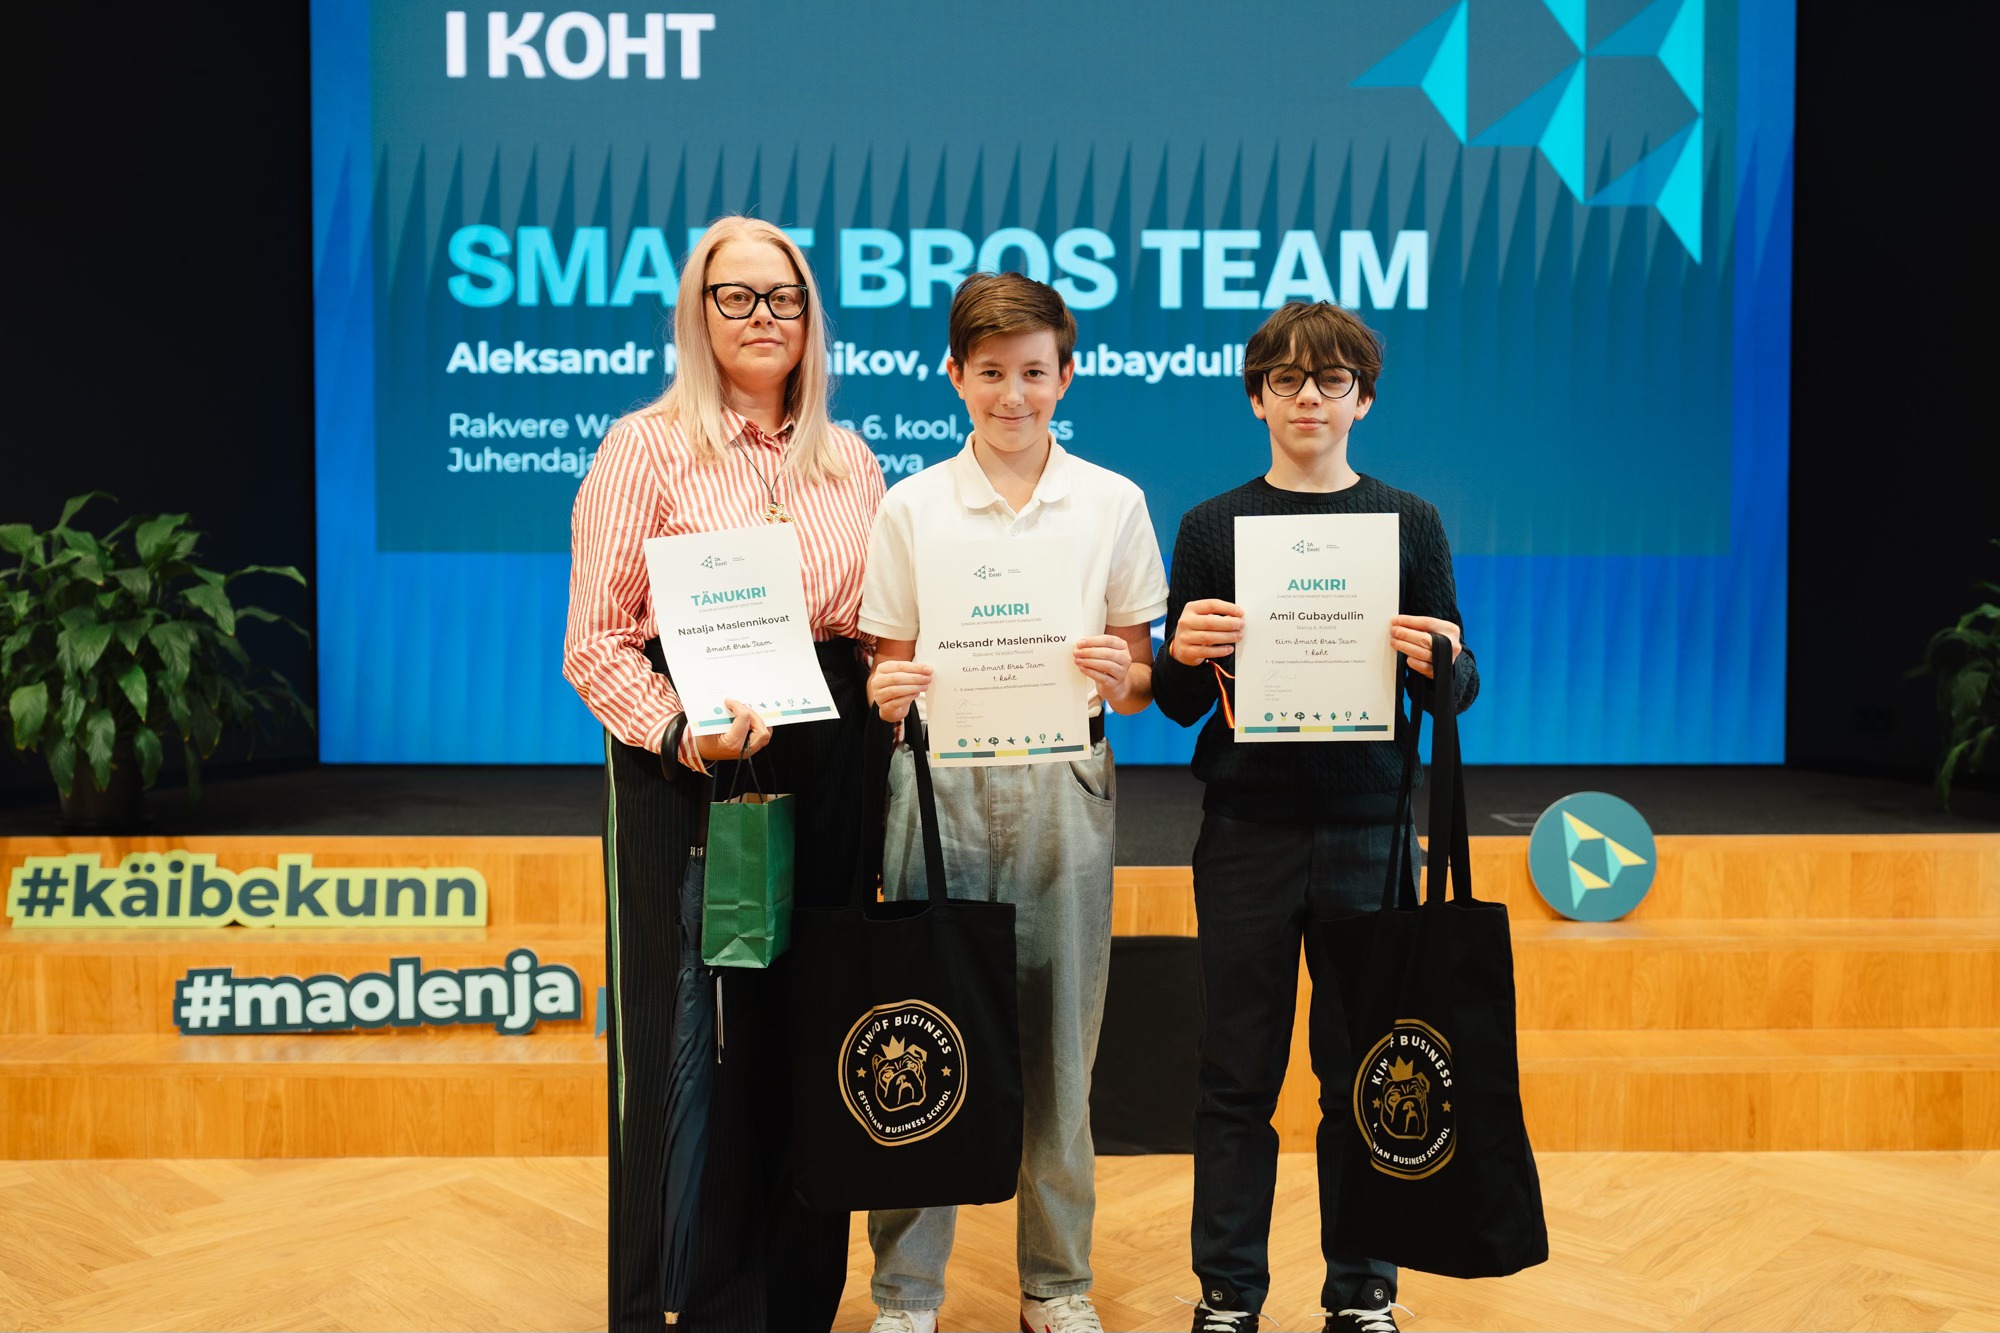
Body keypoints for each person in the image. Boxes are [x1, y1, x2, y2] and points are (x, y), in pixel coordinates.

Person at [563, 215, 884, 1332]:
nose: (762, 318)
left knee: (808, 1026)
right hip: (696, 763)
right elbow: (596, 641)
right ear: (696, 314)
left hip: (832, 756)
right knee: (691, 1043)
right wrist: (677, 732)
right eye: (735, 297)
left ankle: (794, 1300)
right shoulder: (645, 447)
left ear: (810, 318)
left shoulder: (849, 459)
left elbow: (872, 627)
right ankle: (681, 1304)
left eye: (783, 298)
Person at [1152, 302, 1479, 1333]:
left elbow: (1455, 690)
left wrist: (1442, 662)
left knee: (1367, 1075)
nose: (1308, 397)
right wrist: (1178, 654)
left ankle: (1363, 1292)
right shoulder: (1210, 527)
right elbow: (1177, 704)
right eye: (1286, 379)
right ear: (1256, 398)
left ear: (1362, 399)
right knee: (1234, 1077)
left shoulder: (1409, 522)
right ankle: (1227, 1296)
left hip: (1370, 833)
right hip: (1245, 832)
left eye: (1331, 380)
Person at [859, 272, 1170, 1333]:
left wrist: (1121, 675)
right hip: (936, 787)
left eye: (1033, 372)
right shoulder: (909, 506)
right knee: (918, 1029)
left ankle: (1055, 1283)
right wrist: (885, 690)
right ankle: (907, 1293)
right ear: (954, 376)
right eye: (989, 372)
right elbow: (885, 669)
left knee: (1059, 1050)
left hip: (1061, 784)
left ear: (1064, 376)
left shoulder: (1112, 501)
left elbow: (1140, 680)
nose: (1012, 394)